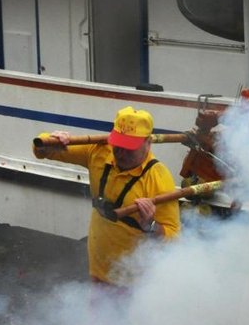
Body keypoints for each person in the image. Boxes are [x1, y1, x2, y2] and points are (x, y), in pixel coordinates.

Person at [33, 106, 182, 286]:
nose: (121, 153)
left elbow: (173, 240)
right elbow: (41, 150)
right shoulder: (99, 151)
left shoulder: (159, 179)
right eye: (118, 145)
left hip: (135, 282)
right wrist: (52, 140)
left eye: (129, 148)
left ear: (148, 143)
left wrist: (150, 225)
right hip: (99, 269)